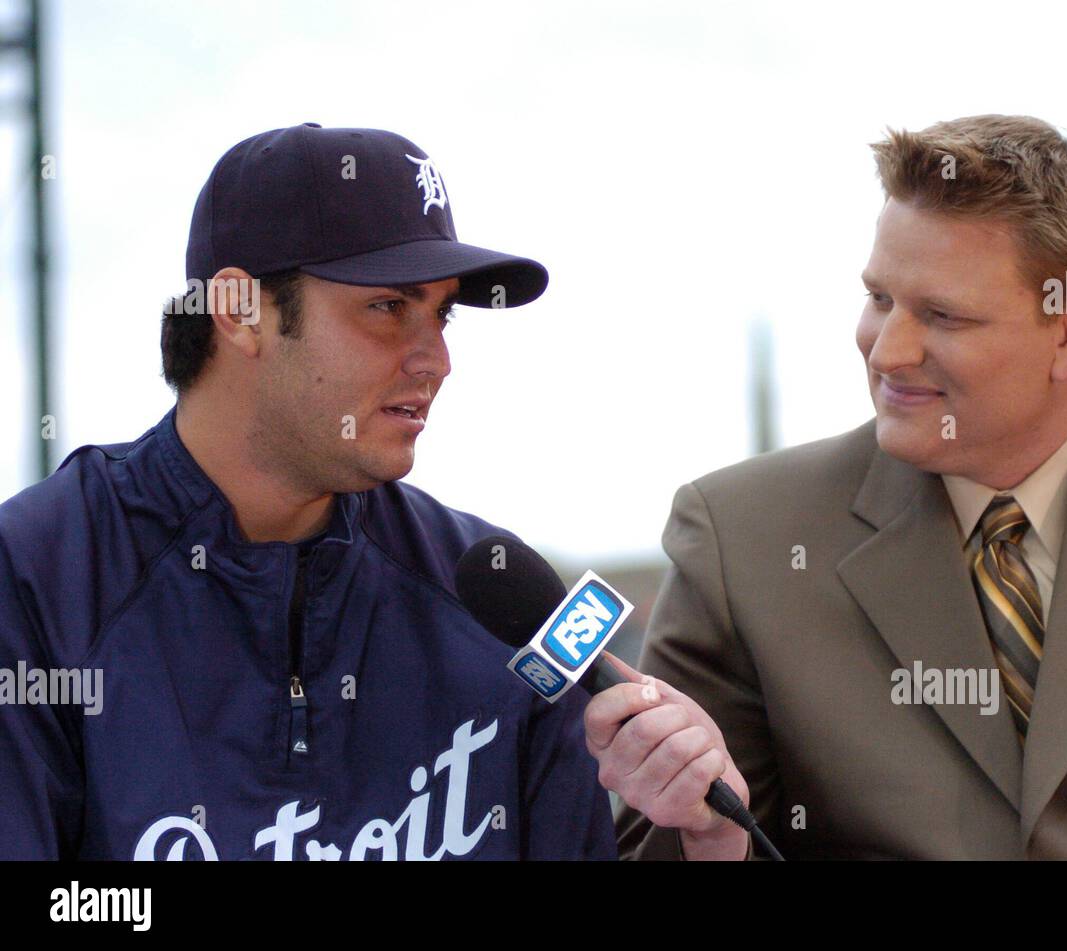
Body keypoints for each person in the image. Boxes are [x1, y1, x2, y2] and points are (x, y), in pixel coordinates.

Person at [587, 114, 1067, 860]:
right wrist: (711, 839)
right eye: (879, 299)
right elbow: (659, 847)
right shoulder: (739, 540)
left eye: (942, 315)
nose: (887, 351)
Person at [0, 123, 615, 860]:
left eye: (442, 314)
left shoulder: (493, 596)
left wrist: (700, 840)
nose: (438, 360)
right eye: (390, 306)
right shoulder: (36, 576)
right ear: (239, 312)